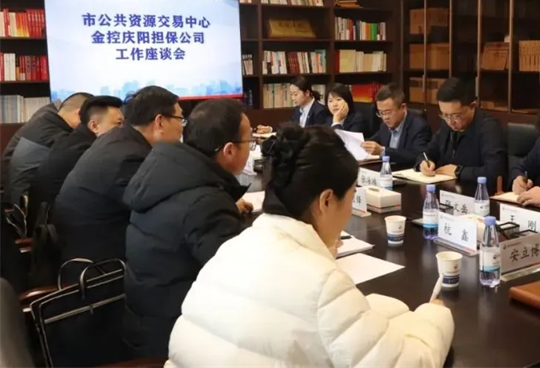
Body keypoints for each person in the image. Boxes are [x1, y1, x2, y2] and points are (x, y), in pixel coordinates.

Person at [167, 125, 454, 367]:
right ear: (326, 200)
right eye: (351, 196)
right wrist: (434, 315)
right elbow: (413, 363)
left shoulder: (231, 250)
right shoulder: (323, 284)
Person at [122, 99, 251, 359]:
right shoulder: (206, 203)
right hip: (175, 331)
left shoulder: (164, 169)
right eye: (249, 141)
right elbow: (240, 278)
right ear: (229, 150)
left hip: (144, 313)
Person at [53, 86, 183, 276]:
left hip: (85, 251)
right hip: (101, 271)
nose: (182, 127)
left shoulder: (118, 139)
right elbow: (161, 214)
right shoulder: (130, 157)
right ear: (160, 122)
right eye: (180, 119)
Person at [27, 96, 124, 232]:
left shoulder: (73, 140)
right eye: (118, 124)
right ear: (94, 126)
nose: (123, 129)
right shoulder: (86, 151)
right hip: (60, 231)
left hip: (53, 222)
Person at [2, 93, 92, 213]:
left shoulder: (47, 116)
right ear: (79, 113)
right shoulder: (56, 134)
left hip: (17, 195)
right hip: (29, 207)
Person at [416, 78, 506, 188]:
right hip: (448, 190)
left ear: (472, 106)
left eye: (456, 116)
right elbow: (427, 152)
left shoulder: (489, 128)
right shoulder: (447, 124)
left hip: (477, 193)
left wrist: (459, 171)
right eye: (444, 115)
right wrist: (423, 162)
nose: (450, 122)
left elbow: (495, 172)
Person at [361, 83, 431, 166]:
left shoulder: (419, 126)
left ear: (403, 108)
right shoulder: (384, 126)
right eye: (381, 113)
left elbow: (417, 156)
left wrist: (383, 151)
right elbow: (372, 140)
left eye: (388, 112)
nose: (385, 117)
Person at [255, 76, 330, 133]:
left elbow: (318, 136)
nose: (293, 98)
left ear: (307, 93)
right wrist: (270, 129)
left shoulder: (320, 111)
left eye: (295, 94)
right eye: (291, 94)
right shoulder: (297, 110)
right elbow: (288, 126)